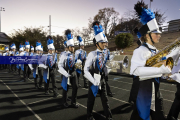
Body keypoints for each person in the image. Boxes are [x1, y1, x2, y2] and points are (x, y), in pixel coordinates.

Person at [130, 1, 174, 120]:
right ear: (148, 35)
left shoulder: (156, 51)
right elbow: (135, 71)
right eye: (156, 33)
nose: (159, 35)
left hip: (156, 92)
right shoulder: (140, 51)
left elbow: (162, 71)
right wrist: (160, 70)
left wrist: (168, 72)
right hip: (144, 93)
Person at [84, 21, 113, 120]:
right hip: (93, 80)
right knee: (91, 100)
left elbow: (105, 67)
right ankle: (89, 116)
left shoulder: (105, 53)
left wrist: (109, 68)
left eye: (105, 42)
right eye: (102, 43)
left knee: (105, 99)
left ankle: (108, 116)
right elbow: (85, 70)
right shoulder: (92, 54)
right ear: (97, 44)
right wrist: (93, 81)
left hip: (102, 79)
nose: (105, 44)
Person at [58, 29, 79, 108]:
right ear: (68, 47)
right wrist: (65, 73)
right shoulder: (64, 54)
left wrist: (78, 65)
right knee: (65, 88)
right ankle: (64, 102)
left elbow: (76, 63)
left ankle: (73, 102)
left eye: (73, 46)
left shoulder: (74, 54)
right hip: (66, 73)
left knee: (75, 87)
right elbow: (59, 66)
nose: (73, 48)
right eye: (71, 46)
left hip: (73, 73)